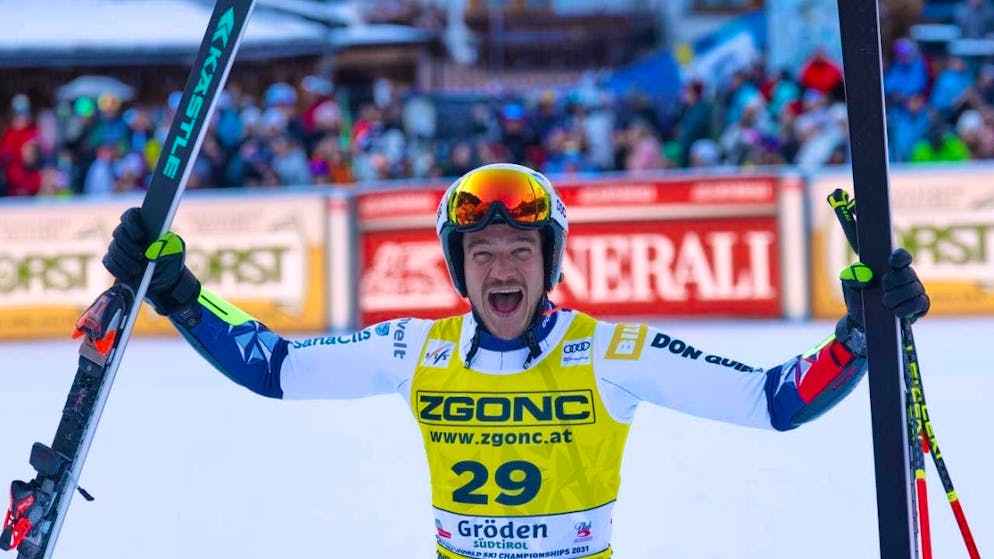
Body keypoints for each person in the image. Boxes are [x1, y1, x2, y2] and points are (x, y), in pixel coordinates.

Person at [99, 163, 928, 558]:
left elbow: (770, 401)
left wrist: (857, 337)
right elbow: (272, 365)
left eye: (521, 249)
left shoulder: (607, 352)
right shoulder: (412, 350)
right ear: (460, 269)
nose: (504, 268)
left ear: (549, 260)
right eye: (485, 250)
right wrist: (178, 290)